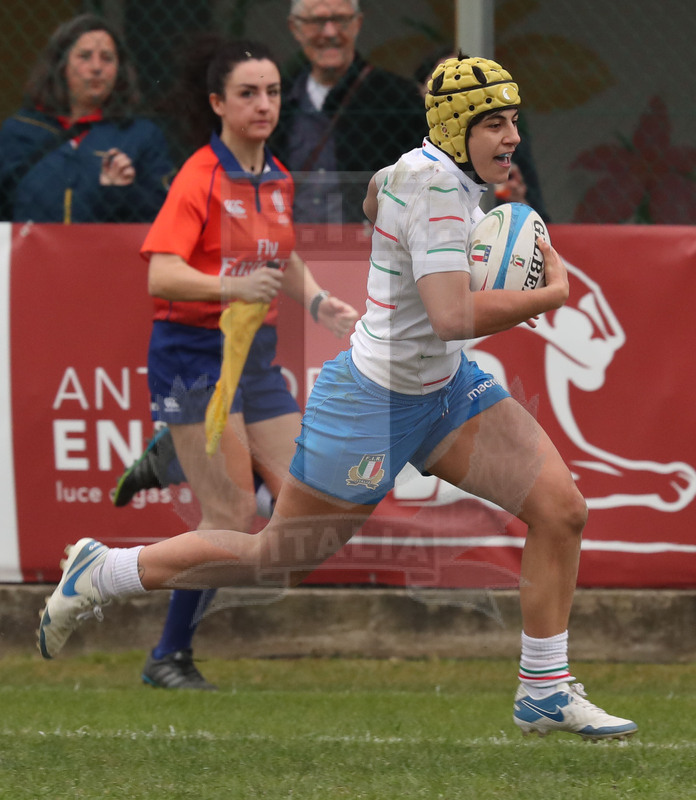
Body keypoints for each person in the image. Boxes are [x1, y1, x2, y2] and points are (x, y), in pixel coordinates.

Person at [38, 54, 638, 740]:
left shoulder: (428, 171)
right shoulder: (438, 193)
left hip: (444, 390)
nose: (511, 138)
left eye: (513, 122)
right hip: (372, 403)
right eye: (494, 124)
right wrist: (550, 295)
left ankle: (545, 691)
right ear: (455, 128)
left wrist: (395, 210)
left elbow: (374, 193)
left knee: (561, 511)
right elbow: (451, 317)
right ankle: (106, 569)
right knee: (273, 556)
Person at [112, 35, 358, 690]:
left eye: (274, 92)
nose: (264, 104)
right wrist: (230, 287)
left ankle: (172, 455)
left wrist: (320, 302)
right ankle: (168, 657)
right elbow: (161, 275)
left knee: (309, 506)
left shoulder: (275, 176)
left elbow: (283, 256)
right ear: (218, 103)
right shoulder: (200, 177)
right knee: (230, 523)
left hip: (254, 361)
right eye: (248, 93)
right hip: (194, 359)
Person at [0, 14, 173, 223]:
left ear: (120, 70)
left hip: (106, 254)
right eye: (85, 56)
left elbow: (165, 217)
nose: (97, 67)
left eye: (107, 58)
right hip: (31, 253)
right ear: (61, 65)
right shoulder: (20, 131)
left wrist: (122, 191)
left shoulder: (141, 135)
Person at [270, 0, 424, 223]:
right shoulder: (278, 99)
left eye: (341, 20)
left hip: (371, 248)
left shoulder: (400, 98)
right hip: (291, 247)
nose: (330, 32)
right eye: (317, 21)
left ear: (357, 23)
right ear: (295, 28)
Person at [414, 45, 550, 222]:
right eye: (447, 83)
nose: (513, 138)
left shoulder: (513, 151)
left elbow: (541, 223)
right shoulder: (409, 156)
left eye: (513, 122)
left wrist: (518, 203)